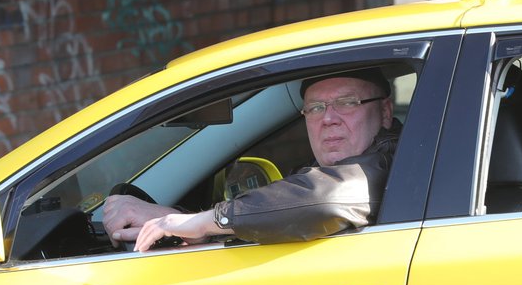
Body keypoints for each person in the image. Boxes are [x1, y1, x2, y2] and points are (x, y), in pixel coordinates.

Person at [102, 67, 401, 251]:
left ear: (386, 112)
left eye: (347, 103)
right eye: (316, 108)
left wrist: (206, 221)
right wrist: (183, 226)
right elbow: (293, 217)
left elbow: (327, 198)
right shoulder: (324, 173)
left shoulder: (393, 162)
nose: (329, 119)